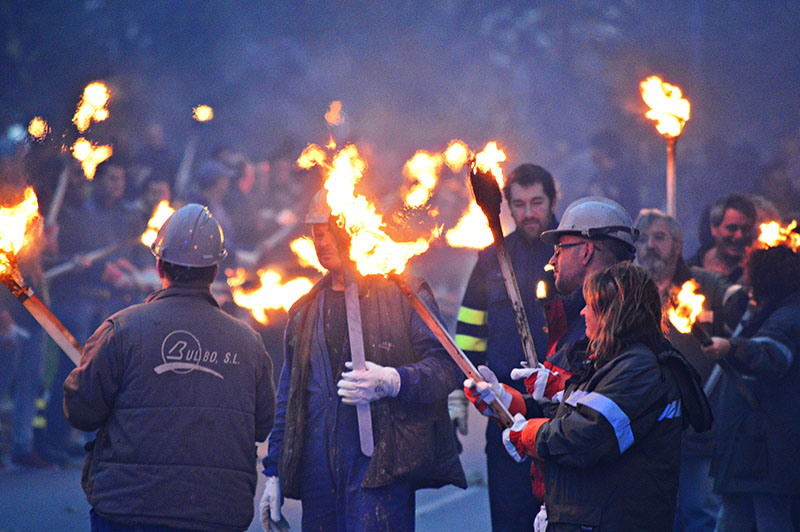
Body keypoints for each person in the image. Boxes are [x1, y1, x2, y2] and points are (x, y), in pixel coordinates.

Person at [260, 190, 465, 532]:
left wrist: (393, 381)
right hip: (319, 480)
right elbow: (291, 399)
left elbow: (446, 367)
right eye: (316, 233)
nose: (322, 241)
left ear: (354, 228)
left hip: (380, 472)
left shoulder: (402, 294)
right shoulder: (305, 310)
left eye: (330, 230)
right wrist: (274, 471)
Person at [63, 204, 276, 531]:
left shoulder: (121, 330)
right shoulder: (249, 344)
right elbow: (261, 426)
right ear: (215, 271)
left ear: (160, 264)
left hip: (129, 508)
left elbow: (83, 412)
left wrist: (80, 380)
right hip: (216, 513)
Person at [502, 262, 685, 532]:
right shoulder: (614, 362)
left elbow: (588, 435)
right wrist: (513, 404)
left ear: (614, 314)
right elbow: (571, 416)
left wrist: (532, 434)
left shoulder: (640, 369)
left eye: (590, 305)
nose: (582, 311)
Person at [453, 163, 558, 532]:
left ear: (552, 200)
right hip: (505, 412)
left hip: (562, 412)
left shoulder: (571, 253)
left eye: (537, 202)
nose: (529, 212)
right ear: (508, 207)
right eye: (519, 204)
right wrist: (459, 394)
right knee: (511, 516)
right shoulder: (490, 259)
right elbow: (468, 333)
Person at [634, 209, 733, 532]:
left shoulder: (707, 285)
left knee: (699, 514)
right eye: (643, 238)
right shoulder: (629, 292)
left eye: (659, 238)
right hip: (647, 432)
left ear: (678, 245)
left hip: (696, 430)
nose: (650, 245)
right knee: (655, 518)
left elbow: (740, 312)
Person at [702, 243, 800, 532]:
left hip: (766, 450)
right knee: (733, 520)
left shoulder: (787, 317)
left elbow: (771, 355)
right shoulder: (770, 312)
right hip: (751, 448)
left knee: (771, 521)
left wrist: (731, 346)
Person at [689, 194, 757, 283]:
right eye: (732, 228)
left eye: (745, 229)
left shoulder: (757, 273)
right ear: (713, 228)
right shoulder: (689, 271)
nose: (739, 236)